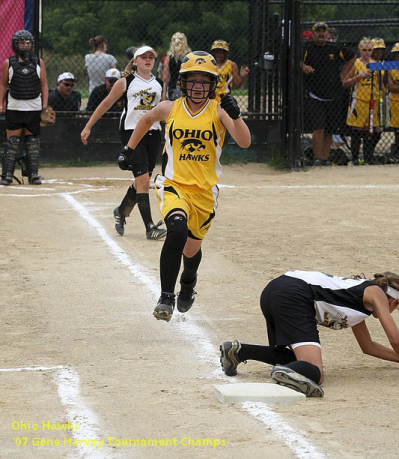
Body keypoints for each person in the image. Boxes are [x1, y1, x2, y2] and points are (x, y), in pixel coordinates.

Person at [118, 51, 251, 322]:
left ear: (213, 84)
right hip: (173, 184)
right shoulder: (171, 107)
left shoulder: (219, 110)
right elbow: (146, 119)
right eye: (193, 80)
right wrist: (129, 149)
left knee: (191, 250)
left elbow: (245, 141)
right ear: (183, 82)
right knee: (176, 231)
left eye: (205, 81)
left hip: (204, 191)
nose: (198, 86)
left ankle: (188, 283)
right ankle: (166, 296)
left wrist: (236, 116)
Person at [220, 270, 399, 398]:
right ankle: (283, 372)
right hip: (295, 295)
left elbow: (368, 346)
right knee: (316, 374)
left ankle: (239, 351)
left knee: (298, 360)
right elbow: (395, 339)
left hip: (276, 290)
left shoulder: (359, 301)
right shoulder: (376, 293)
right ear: (394, 300)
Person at [81, 45, 166, 241]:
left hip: (153, 134)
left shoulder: (159, 83)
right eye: (143, 57)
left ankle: (121, 211)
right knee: (144, 181)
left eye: (151, 57)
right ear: (134, 61)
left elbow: (161, 110)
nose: (147, 59)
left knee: (141, 181)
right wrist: (88, 126)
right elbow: (106, 103)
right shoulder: (126, 81)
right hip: (132, 133)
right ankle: (150, 227)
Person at [302, 21, 355, 166]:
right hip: (315, 94)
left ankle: (325, 158)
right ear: (313, 34)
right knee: (318, 127)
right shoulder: (307, 48)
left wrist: (344, 74)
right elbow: (296, 60)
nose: (321, 34)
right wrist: (304, 67)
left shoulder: (335, 48)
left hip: (333, 95)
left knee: (330, 129)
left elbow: (352, 57)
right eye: (318, 31)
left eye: (323, 31)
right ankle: (317, 158)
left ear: (327, 33)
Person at [0, 29, 48, 185]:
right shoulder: (9, 62)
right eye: (22, 42)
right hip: (15, 107)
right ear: (16, 44)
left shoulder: (39, 62)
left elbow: (44, 84)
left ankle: (33, 174)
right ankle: (7, 175)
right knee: (12, 142)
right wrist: (1, 102)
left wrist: (45, 105)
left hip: (34, 107)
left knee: (32, 141)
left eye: (28, 43)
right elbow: (3, 84)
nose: (25, 45)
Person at [343, 38, 381, 165]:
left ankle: (367, 159)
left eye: (369, 50)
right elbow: (345, 83)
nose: (367, 52)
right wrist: (359, 76)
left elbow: (380, 83)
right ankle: (355, 158)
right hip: (358, 100)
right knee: (357, 130)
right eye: (364, 50)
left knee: (369, 130)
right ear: (360, 50)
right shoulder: (356, 63)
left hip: (372, 100)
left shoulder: (376, 64)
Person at [162, 32, 191, 100]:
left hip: (172, 88)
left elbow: (165, 79)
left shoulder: (168, 57)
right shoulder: (189, 56)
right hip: (187, 88)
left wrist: (163, 94)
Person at [387, 42, 399, 161]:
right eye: (396, 55)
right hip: (395, 102)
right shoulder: (391, 69)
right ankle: (396, 152)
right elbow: (391, 88)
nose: (397, 57)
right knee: (397, 130)